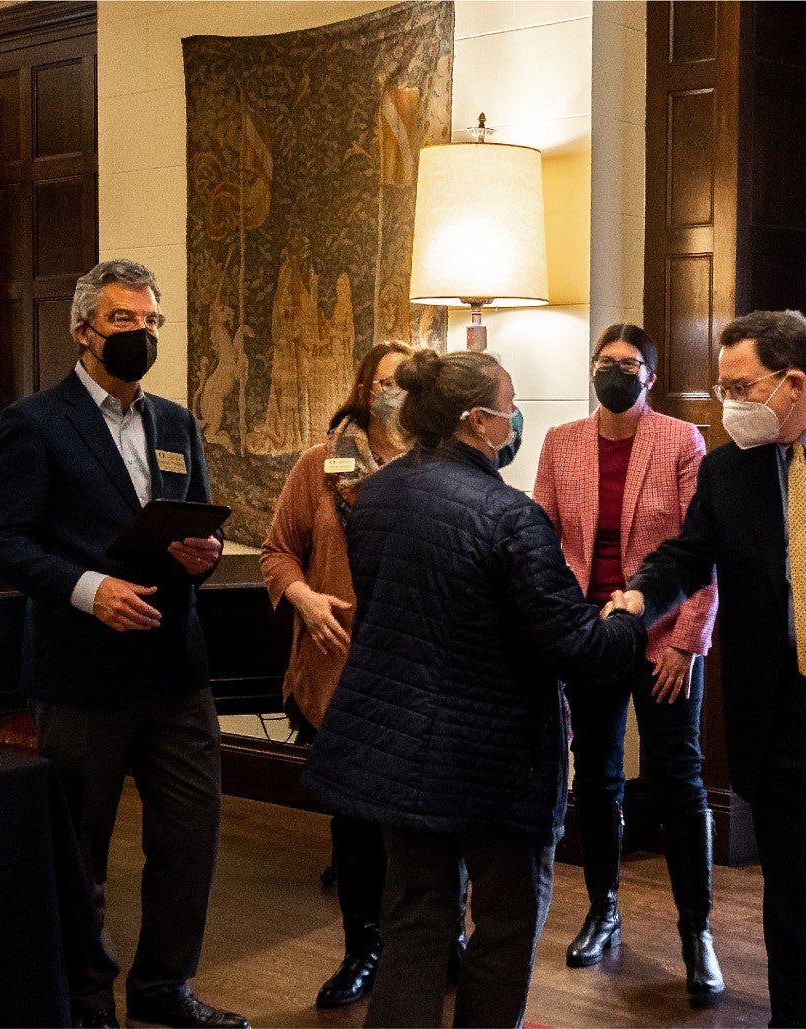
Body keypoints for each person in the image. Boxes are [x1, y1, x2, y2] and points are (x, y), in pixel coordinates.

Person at [302, 349, 646, 1029]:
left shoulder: (374, 496)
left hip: (400, 751)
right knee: (505, 930)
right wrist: (630, 618)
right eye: (509, 403)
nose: (515, 417)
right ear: (478, 421)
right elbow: (573, 644)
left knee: (413, 928)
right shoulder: (510, 516)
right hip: (497, 766)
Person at [606, 310, 806, 1027]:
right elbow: (688, 555)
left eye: (739, 386)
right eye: (722, 388)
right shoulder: (729, 467)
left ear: (792, 383)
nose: (728, 404)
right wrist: (638, 592)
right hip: (784, 690)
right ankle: (798, 1014)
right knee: (791, 873)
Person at [0, 259, 246, 1029]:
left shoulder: (176, 422)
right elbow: (3, 542)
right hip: (82, 672)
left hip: (176, 666)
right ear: (83, 329)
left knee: (190, 841)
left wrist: (203, 548)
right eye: (125, 320)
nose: (142, 333)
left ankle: (165, 987)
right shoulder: (33, 423)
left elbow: (195, 518)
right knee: (81, 853)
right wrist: (91, 590)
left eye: (152, 321)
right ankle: (87, 1000)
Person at [533, 324, 723, 1004]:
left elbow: (702, 548)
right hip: (592, 634)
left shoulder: (682, 440)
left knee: (679, 780)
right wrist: (563, 627)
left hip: (663, 631)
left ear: (650, 374)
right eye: (605, 362)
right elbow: (543, 540)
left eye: (629, 363)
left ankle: (696, 931)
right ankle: (602, 907)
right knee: (599, 776)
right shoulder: (560, 443)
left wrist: (687, 642)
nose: (615, 371)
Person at [259, 340, 411, 1009]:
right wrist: (303, 597)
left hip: (417, 672)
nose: (394, 392)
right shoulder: (321, 466)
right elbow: (277, 551)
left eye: (407, 382)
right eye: (384, 381)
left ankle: (436, 941)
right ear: (362, 387)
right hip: (340, 667)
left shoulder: (438, 465)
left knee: (425, 821)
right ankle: (364, 946)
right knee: (353, 822)